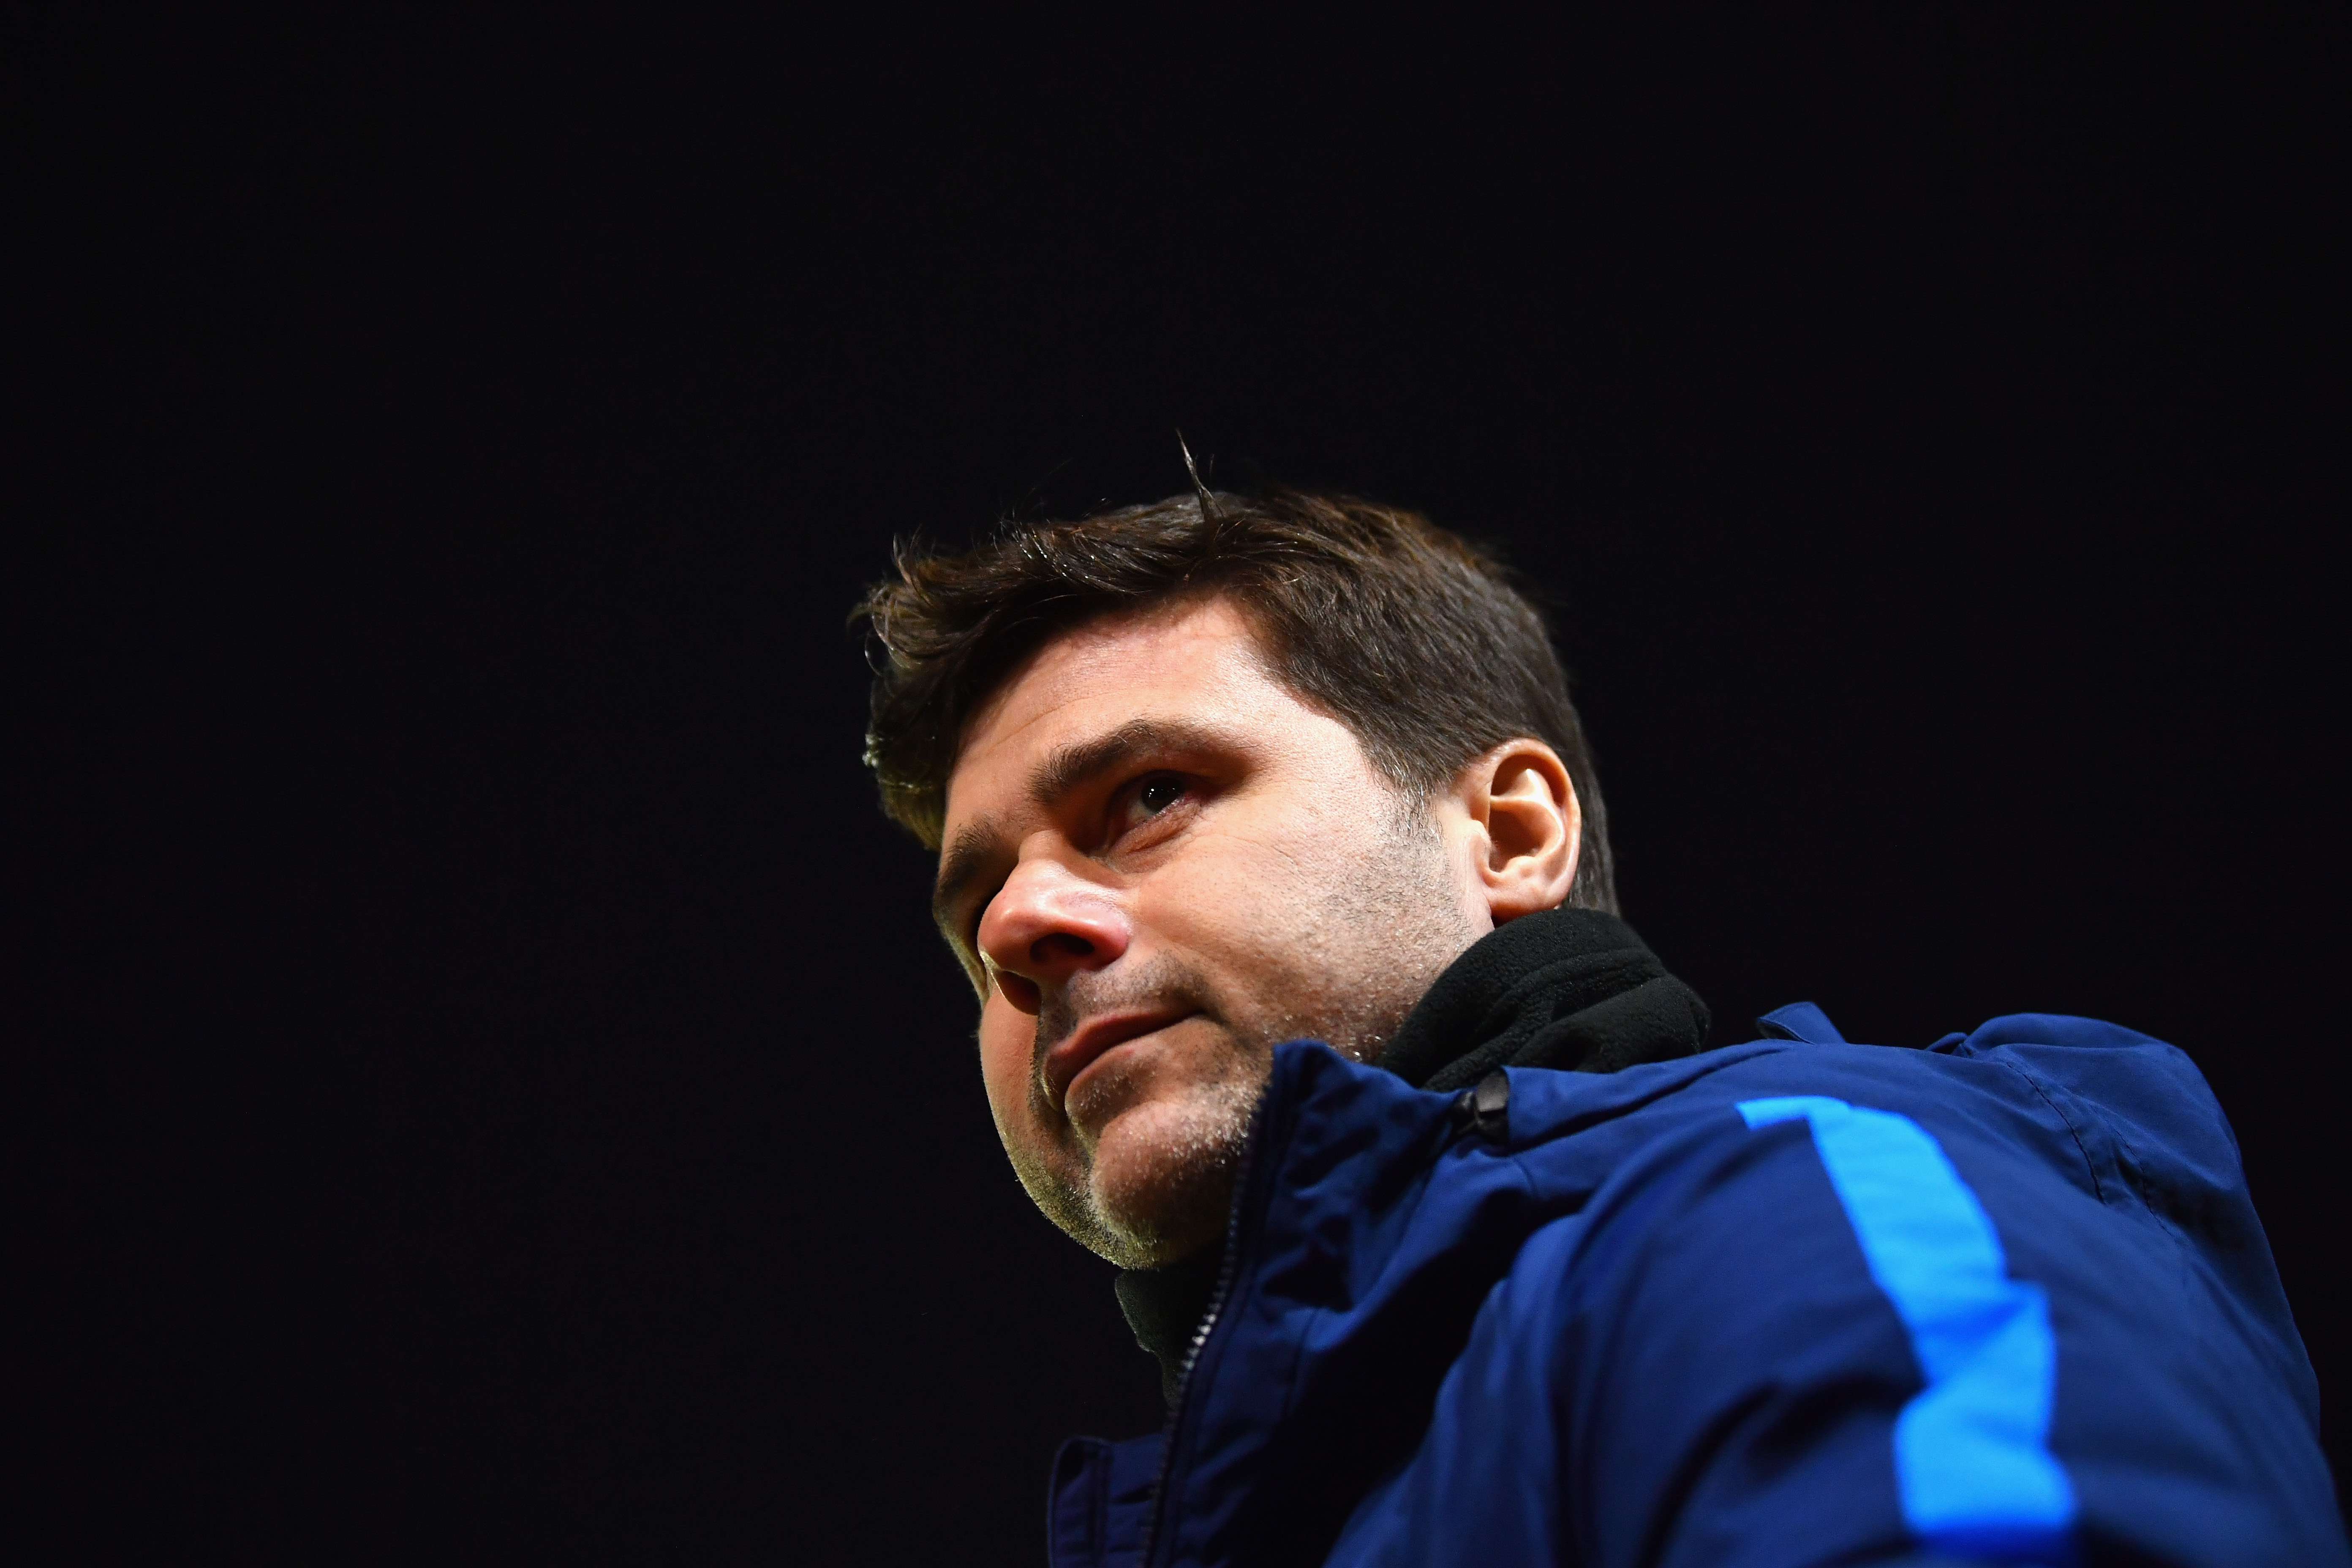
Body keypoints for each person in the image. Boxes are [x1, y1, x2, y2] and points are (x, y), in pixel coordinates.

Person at [855, 481, 2345, 1567]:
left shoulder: (1793, 1195)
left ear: (1507, 834)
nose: (1017, 932)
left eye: (1149, 798)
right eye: (971, 911)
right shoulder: (1301, 1474)